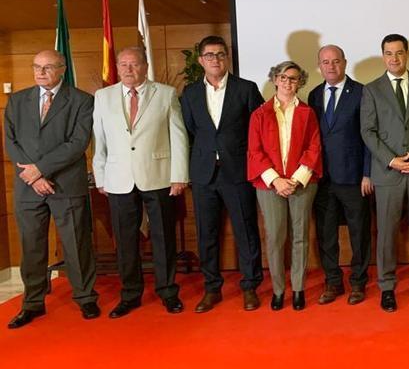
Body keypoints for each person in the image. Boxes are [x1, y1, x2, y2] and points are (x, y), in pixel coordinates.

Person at [4, 50, 99, 328]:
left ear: (62, 69)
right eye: (36, 67)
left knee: (75, 244)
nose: (40, 72)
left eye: (47, 67)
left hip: (66, 184)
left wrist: (41, 169)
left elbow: (77, 143)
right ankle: (32, 303)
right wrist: (33, 177)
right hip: (28, 187)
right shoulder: (18, 101)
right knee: (32, 246)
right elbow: (11, 142)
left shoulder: (82, 100)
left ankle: (85, 297)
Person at [93, 46, 189, 318]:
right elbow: (98, 140)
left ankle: (168, 291)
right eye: (123, 64)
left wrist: (179, 175)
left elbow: (178, 136)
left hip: (158, 176)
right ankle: (130, 294)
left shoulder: (165, 93)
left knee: (163, 237)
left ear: (145, 66)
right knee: (125, 241)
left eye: (133, 64)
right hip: (118, 178)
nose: (127, 69)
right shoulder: (103, 96)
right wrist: (101, 176)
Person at [181, 36, 264, 313]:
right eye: (209, 55)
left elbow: (259, 130)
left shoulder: (246, 89)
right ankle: (211, 288)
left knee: (246, 231)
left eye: (219, 54)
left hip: (237, 172)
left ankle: (250, 286)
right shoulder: (190, 93)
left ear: (226, 57)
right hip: (204, 174)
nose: (215, 60)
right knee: (207, 233)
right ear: (201, 60)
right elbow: (192, 130)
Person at [361, 33, 409, 312]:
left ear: (407, 54)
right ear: (383, 56)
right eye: (389, 53)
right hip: (388, 173)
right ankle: (387, 286)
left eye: (399, 53)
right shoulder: (371, 89)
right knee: (387, 232)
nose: (394, 58)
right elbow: (367, 132)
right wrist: (391, 160)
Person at [247, 60, 322, 311]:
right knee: (275, 237)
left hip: (301, 182)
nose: (288, 82)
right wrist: (276, 180)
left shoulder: (308, 113)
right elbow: (254, 152)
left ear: (300, 82)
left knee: (300, 237)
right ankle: (278, 290)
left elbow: (314, 147)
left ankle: (298, 288)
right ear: (275, 79)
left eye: (294, 78)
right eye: (283, 77)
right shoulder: (259, 114)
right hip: (270, 185)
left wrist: (297, 179)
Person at [307, 45, 373, 306]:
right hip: (323, 179)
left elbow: (368, 136)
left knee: (359, 233)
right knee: (326, 234)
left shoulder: (361, 92)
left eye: (336, 61)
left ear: (345, 63)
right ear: (319, 65)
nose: (331, 66)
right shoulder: (313, 95)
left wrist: (368, 173)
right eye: (325, 62)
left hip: (354, 177)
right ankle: (333, 282)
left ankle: (358, 282)